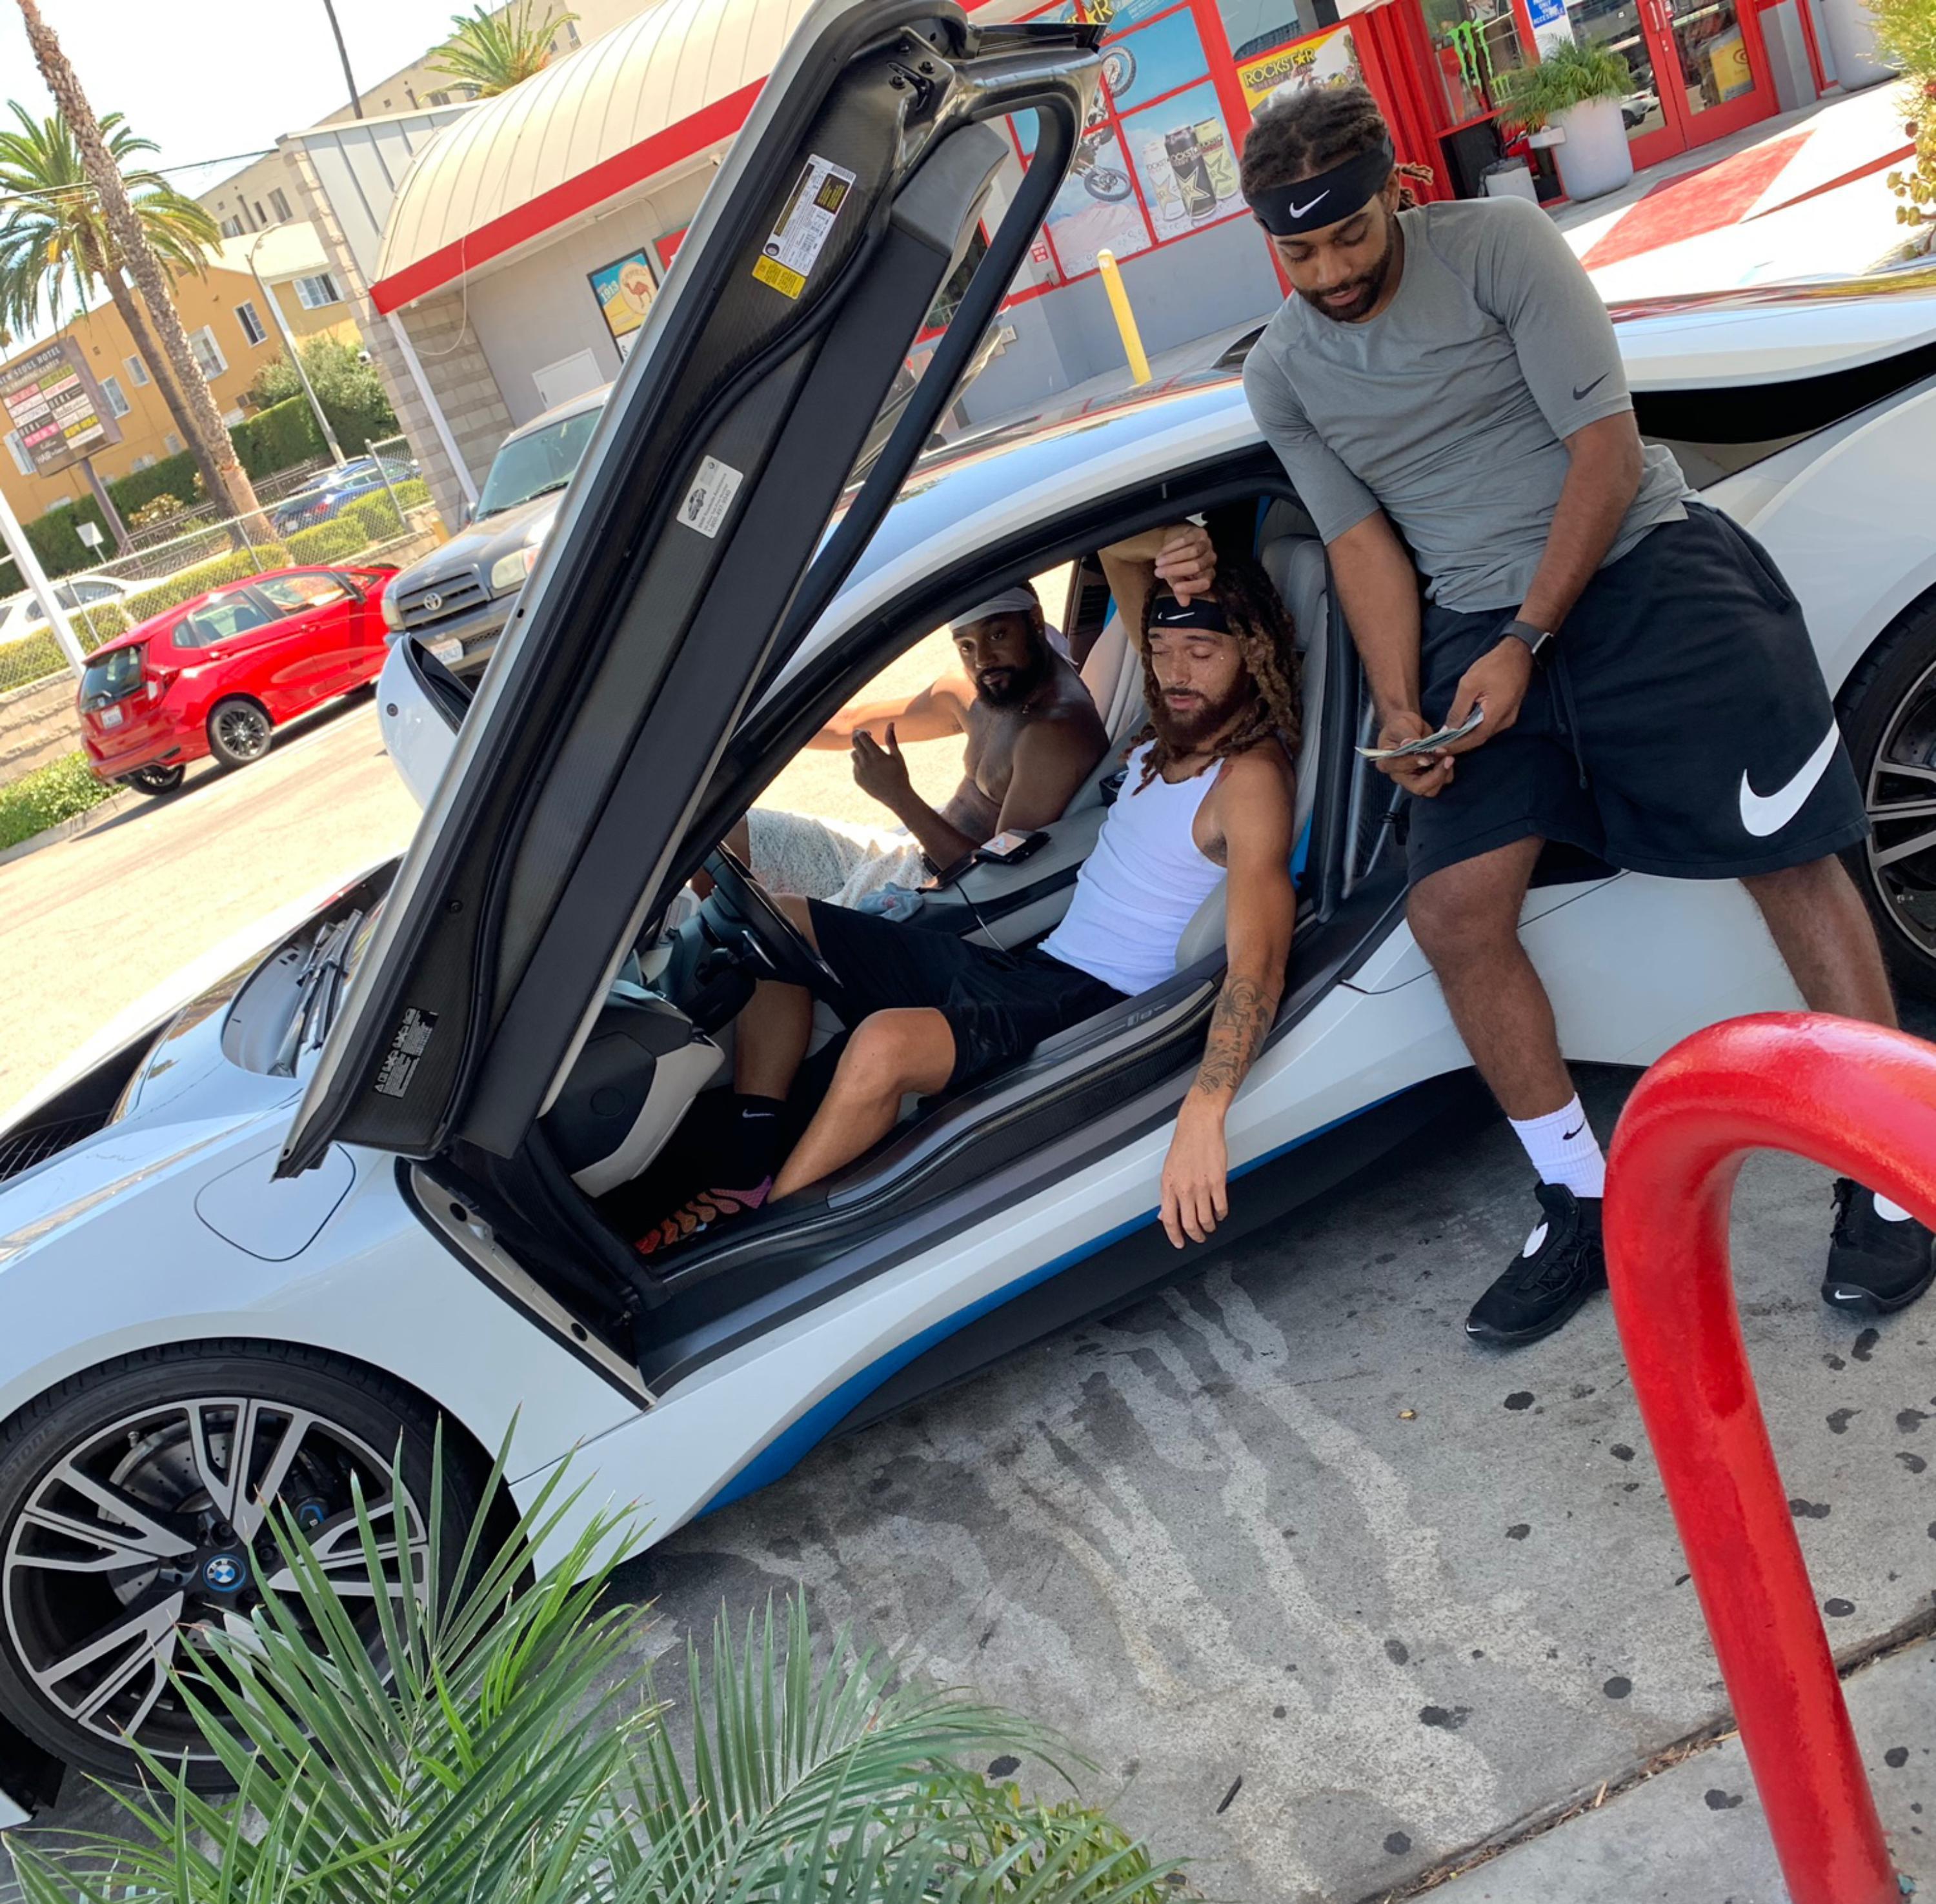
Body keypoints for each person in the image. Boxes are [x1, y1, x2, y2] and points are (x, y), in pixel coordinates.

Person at [1235, 83, 1926, 1345]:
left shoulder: (1499, 248)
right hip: (1472, 625)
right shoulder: (1282, 372)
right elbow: (1360, 540)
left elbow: (1604, 451)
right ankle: (1582, 1196)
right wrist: (1403, 704)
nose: (1330, 272)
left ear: (1398, 192)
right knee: (1453, 913)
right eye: (1300, 252)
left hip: (1638, 570)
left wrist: (1526, 640)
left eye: (1349, 236)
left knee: (1787, 853)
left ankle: (1893, 1163)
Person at [639, 553, 1302, 1253]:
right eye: (1162, 649)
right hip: (1035, 966)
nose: (1175, 673)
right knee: (782, 922)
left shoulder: (1249, 779)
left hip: (1092, 1005)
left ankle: (761, 1242)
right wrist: (1173, 544)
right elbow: (1126, 562)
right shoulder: (1166, 736)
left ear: (1252, 653)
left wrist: (1204, 1111)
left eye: (1202, 651)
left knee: (884, 1044)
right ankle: (748, 1162)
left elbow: (1257, 967)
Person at [731, 586, 1107, 913]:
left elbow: (998, 880)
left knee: (768, 926)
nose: (982, 661)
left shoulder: (1051, 734)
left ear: (1035, 621)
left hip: (933, 895)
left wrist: (899, 796)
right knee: (733, 836)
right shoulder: (978, 692)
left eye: (997, 635)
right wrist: (735, 732)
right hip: (904, 853)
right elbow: (848, 724)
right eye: (966, 646)